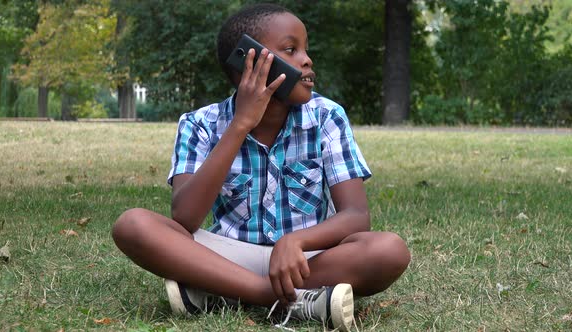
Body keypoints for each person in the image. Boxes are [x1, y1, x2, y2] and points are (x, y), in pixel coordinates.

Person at [112, 3, 410, 331]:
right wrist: (240, 124)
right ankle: (289, 299)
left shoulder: (327, 116)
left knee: (388, 250)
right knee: (134, 225)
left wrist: (294, 242)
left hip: (306, 259)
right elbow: (185, 218)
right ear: (248, 61)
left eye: (306, 50)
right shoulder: (199, 124)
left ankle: (219, 292)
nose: (307, 60)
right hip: (226, 255)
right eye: (291, 50)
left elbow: (356, 217)